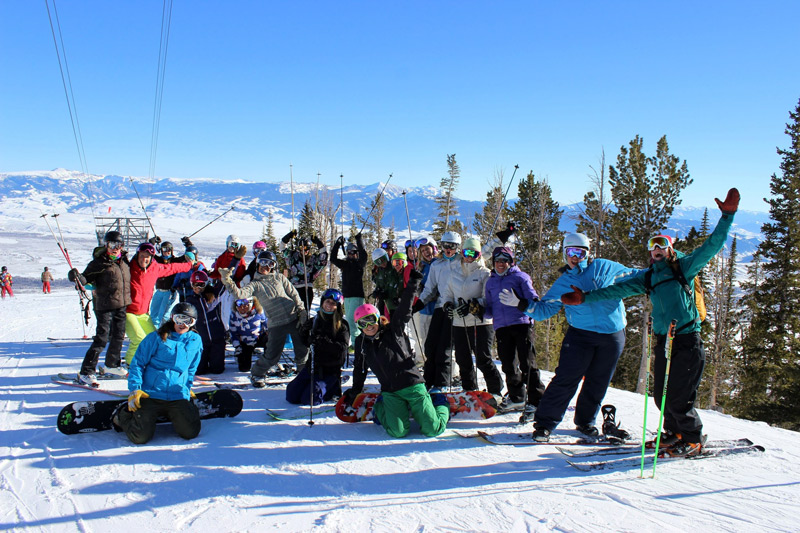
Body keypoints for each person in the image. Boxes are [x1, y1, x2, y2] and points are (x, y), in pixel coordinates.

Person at [560, 188, 740, 456]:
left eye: (661, 245)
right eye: (651, 246)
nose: (655, 250)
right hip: (663, 341)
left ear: (669, 249)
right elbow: (615, 291)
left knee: (680, 396)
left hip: (687, 340)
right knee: (662, 396)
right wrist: (584, 298)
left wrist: (727, 216)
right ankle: (673, 433)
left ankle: (692, 437)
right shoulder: (649, 277)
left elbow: (711, 246)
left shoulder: (684, 268)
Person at [499, 233, 639, 442]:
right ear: (565, 253)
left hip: (612, 335)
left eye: (580, 252)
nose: (575, 257)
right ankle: (544, 424)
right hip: (580, 336)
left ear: (588, 253)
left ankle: (585, 421)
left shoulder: (604, 267)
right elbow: (544, 310)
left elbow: (635, 275)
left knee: (598, 381)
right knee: (565, 379)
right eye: (571, 252)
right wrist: (520, 304)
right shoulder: (564, 282)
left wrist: (660, 278)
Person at [344, 268, 450, 438]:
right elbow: (359, 367)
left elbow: (404, 309)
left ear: (378, 318)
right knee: (397, 432)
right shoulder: (362, 342)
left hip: (412, 385)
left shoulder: (394, 331)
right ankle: (381, 406)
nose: (368, 326)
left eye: (370, 319)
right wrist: (355, 390)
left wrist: (413, 283)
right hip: (390, 391)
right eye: (362, 323)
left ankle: (439, 403)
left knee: (433, 429)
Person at [113, 302, 203, 444]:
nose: (183, 324)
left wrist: (186, 387)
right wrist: (135, 389)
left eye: (188, 321)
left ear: (193, 323)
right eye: (179, 319)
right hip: (151, 393)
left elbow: (191, 369)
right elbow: (137, 363)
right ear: (172, 318)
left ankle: (176, 413)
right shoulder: (157, 337)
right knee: (140, 437)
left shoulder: (195, 341)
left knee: (190, 432)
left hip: (176, 394)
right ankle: (123, 413)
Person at [217, 250, 309, 388]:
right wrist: (227, 280)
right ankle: (257, 373)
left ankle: (304, 374)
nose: (266, 266)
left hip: (293, 317)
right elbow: (240, 295)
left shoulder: (280, 278)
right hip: (276, 323)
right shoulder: (254, 284)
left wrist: (301, 310)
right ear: (257, 263)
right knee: (272, 355)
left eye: (270, 264)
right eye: (263, 262)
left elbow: (294, 294)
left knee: (302, 350)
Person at [483, 246, 546, 418]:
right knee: (508, 365)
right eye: (497, 261)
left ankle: (536, 400)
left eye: (504, 260)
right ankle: (517, 396)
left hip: (521, 324)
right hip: (501, 327)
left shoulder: (520, 277)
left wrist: (518, 302)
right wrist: (478, 310)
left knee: (527, 364)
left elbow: (533, 299)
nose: (501, 264)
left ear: (511, 262)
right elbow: (490, 309)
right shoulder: (491, 282)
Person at [441, 237, 504, 402]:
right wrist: (448, 305)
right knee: (463, 359)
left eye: (473, 253)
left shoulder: (484, 273)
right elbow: (447, 293)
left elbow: (487, 298)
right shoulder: (454, 272)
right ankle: (469, 389)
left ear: (479, 254)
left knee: (483, 358)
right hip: (459, 322)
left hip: (480, 322)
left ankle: (495, 390)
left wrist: (471, 306)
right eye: (466, 252)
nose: (469, 256)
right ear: (462, 253)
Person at [68, 231, 131, 385]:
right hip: (105, 306)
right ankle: (86, 371)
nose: (115, 248)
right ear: (106, 245)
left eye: (118, 245)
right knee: (102, 338)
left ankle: (112, 364)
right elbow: (85, 279)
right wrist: (76, 277)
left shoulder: (123, 261)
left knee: (118, 336)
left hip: (121, 304)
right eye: (111, 244)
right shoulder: (98, 263)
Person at [125, 242, 194, 365]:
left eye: (147, 257)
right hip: (128, 312)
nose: (144, 259)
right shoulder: (128, 268)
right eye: (141, 256)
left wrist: (189, 265)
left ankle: (150, 362)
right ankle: (130, 365)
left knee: (155, 338)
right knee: (139, 339)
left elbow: (172, 268)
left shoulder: (155, 269)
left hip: (143, 313)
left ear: (151, 258)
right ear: (137, 255)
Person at [415, 231, 463, 392]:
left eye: (452, 246)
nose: (448, 249)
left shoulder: (462, 262)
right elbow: (430, 288)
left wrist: (500, 239)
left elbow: (481, 254)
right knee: (430, 345)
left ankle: (443, 382)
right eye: (445, 246)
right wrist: (419, 303)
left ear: (457, 247)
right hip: (440, 307)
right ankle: (429, 380)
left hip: (455, 309)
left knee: (445, 348)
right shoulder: (437, 265)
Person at [286, 288, 350, 405]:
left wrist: (323, 342)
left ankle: (333, 387)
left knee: (309, 399)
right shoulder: (315, 320)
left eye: (333, 304)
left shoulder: (342, 325)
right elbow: (306, 342)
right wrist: (304, 333)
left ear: (338, 306)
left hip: (329, 369)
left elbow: (341, 349)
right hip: (312, 366)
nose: (329, 306)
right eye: (327, 302)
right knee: (291, 395)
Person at [329, 233, 367, 352]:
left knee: (353, 320)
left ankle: (358, 344)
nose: (351, 254)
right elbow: (333, 259)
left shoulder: (360, 264)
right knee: (351, 320)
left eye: (354, 252)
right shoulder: (345, 264)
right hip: (347, 297)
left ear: (357, 253)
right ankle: (358, 343)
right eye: (349, 252)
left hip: (357, 296)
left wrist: (359, 239)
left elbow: (364, 255)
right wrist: (338, 244)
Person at [184, 270, 227, 375]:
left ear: (206, 283)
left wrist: (235, 258)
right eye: (195, 284)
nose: (198, 287)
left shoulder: (213, 294)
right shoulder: (190, 300)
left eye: (201, 284)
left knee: (217, 370)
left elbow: (224, 281)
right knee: (199, 371)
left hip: (217, 339)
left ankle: (215, 361)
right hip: (201, 341)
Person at [208, 235, 249, 331]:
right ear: (227, 244)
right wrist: (210, 274)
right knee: (221, 310)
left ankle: (231, 330)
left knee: (229, 309)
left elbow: (240, 274)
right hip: (222, 287)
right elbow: (217, 272)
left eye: (236, 245)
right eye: (231, 244)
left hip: (232, 288)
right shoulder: (222, 257)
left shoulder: (240, 259)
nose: (233, 248)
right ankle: (225, 329)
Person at [280, 230, 329, 311]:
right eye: (302, 248)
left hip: (307, 289)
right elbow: (282, 247)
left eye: (306, 248)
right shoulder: (292, 256)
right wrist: (288, 236)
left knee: (305, 312)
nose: (304, 251)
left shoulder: (313, 259)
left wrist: (317, 242)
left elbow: (323, 257)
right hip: (294, 289)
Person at [150, 241, 186, 328]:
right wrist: (151, 243)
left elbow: (188, 255)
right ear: (161, 250)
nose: (167, 251)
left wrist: (188, 244)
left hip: (169, 292)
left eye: (169, 249)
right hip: (159, 291)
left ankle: (163, 331)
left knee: (164, 315)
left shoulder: (174, 261)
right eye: (165, 249)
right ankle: (153, 332)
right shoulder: (158, 260)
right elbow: (149, 253)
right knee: (154, 314)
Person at [229, 295, 268, 372]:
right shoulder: (234, 315)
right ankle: (241, 357)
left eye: (245, 305)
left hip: (258, 338)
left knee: (269, 339)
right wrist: (237, 347)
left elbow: (267, 325)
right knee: (244, 368)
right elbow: (233, 333)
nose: (242, 308)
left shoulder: (258, 312)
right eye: (239, 305)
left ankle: (268, 361)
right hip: (245, 342)